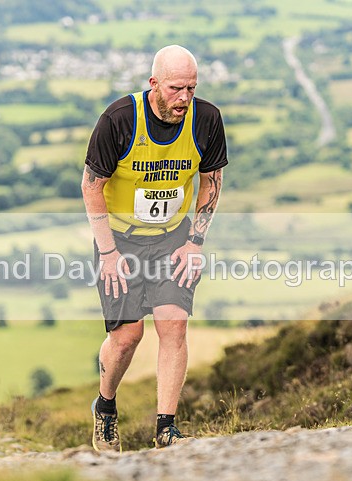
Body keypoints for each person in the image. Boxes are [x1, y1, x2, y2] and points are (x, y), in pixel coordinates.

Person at [81, 45, 227, 452]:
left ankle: (166, 428)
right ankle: (106, 406)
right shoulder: (119, 119)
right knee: (128, 336)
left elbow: (211, 181)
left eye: (192, 89)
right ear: (154, 85)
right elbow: (91, 186)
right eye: (177, 88)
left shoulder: (207, 120)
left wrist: (195, 242)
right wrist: (108, 254)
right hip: (120, 240)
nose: (185, 98)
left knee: (173, 324)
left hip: (172, 239)